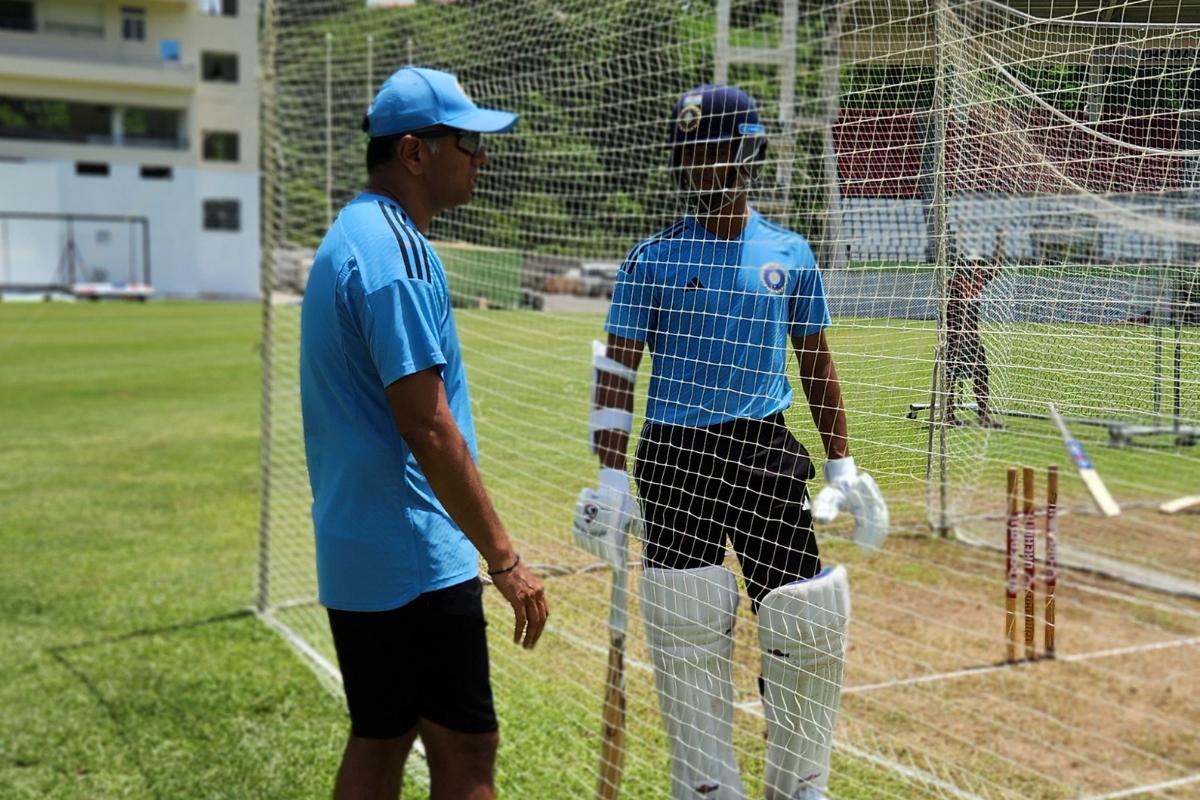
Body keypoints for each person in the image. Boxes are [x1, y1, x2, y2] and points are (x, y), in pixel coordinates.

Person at [575, 85, 888, 800]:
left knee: (806, 625)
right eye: (688, 154)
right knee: (685, 631)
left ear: (747, 154)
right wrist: (611, 481)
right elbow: (617, 371)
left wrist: (842, 464)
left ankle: (801, 785)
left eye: (713, 151)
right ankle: (705, 789)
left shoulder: (789, 253)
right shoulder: (650, 259)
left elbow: (817, 365)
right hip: (676, 455)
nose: (699, 167)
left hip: (764, 450)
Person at [300, 66, 549, 800]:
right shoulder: (397, 258)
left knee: (379, 741)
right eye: (466, 141)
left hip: (359, 550)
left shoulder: (352, 234)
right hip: (413, 558)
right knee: (469, 757)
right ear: (414, 152)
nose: (482, 156)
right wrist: (505, 562)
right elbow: (429, 427)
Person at [944, 236, 1002, 428]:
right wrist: (957, 336)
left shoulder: (975, 281)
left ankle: (984, 416)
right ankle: (949, 415)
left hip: (972, 338)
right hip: (955, 339)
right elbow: (952, 313)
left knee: (981, 374)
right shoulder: (954, 284)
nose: (976, 266)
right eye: (972, 263)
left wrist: (999, 241)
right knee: (950, 377)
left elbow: (996, 268)